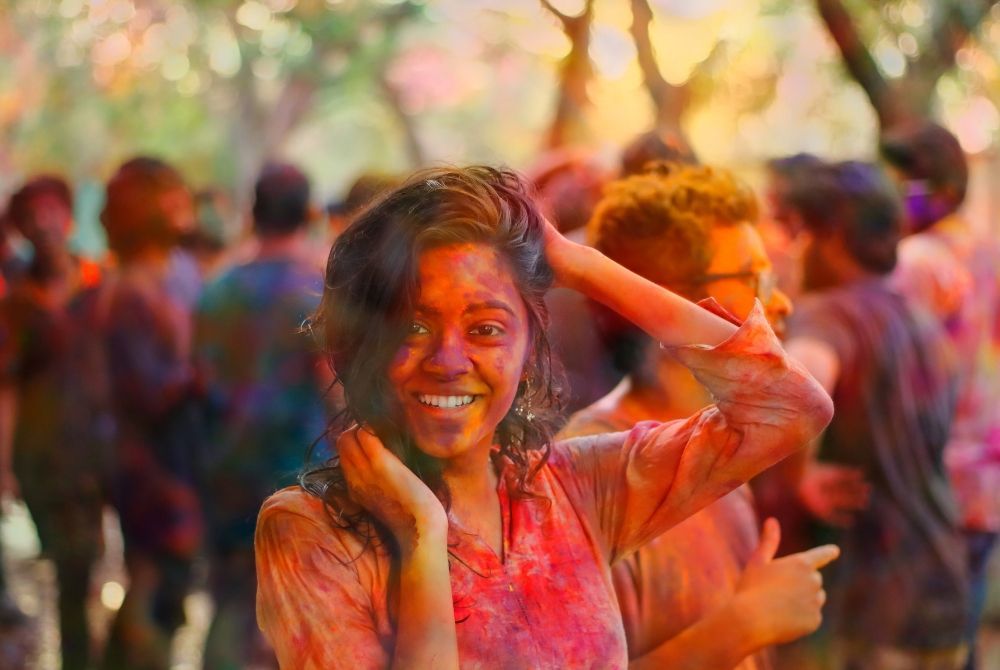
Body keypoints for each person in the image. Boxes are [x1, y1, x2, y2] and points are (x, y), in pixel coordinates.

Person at [254, 166, 834, 668]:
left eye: (486, 329)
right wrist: (421, 539)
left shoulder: (571, 489)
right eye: (414, 327)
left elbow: (790, 410)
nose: (450, 362)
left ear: (529, 348)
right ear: (356, 347)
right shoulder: (311, 531)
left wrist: (579, 264)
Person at [559, 162, 833, 670]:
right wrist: (745, 625)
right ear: (670, 298)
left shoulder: (721, 433)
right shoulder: (594, 468)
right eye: (756, 278)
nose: (781, 303)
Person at [783, 161, 969, 669]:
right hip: (941, 591)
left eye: (803, 233)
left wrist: (797, 473)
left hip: (869, 607)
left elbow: (802, 388)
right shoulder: (921, 321)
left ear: (833, 238)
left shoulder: (829, 313)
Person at [195, 163, 330, 669]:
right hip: (301, 475)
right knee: (296, 612)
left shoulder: (218, 289)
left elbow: (202, 381)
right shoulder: (319, 288)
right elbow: (333, 384)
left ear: (253, 213)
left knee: (231, 600)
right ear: (310, 212)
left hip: (229, 466)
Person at [881, 122, 1000, 670]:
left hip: (931, 483)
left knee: (920, 649)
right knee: (962, 638)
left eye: (901, 184)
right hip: (986, 478)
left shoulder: (918, 263)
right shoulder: (990, 251)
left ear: (943, 190)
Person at [98, 157, 205, 670]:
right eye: (167, 193)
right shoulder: (130, 291)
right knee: (153, 583)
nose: (180, 202)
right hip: (148, 462)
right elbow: (144, 396)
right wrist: (196, 374)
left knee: (171, 589)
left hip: (186, 450)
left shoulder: (181, 270)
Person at [0, 175, 107, 670]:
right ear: (21, 228)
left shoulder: (99, 282)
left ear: (68, 216)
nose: (44, 225)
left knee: (88, 564)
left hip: (101, 450)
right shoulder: (17, 304)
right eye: (33, 217)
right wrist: (4, 464)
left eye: (52, 212)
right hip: (44, 453)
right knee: (71, 566)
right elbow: (8, 388)